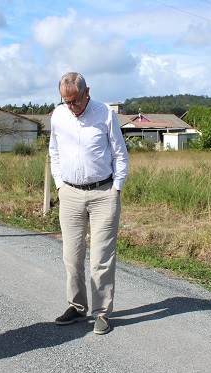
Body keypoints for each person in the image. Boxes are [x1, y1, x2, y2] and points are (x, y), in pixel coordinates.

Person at [49, 72, 130, 335]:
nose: (71, 107)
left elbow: (119, 152)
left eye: (74, 101)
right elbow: (54, 151)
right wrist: (59, 184)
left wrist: (116, 187)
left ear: (87, 93)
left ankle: (102, 313)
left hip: (103, 193)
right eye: (65, 101)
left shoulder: (105, 113)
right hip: (70, 194)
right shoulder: (58, 115)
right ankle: (76, 306)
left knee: (101, 259)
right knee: (71, 257)